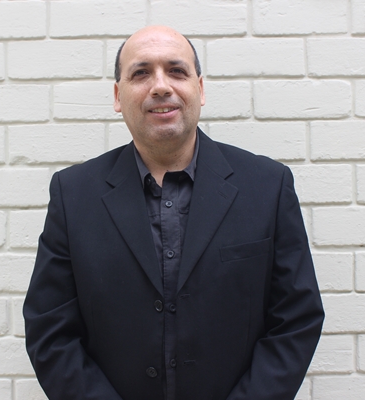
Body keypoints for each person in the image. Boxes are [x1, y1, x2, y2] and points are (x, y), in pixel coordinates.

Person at [23, 25, 324, 400]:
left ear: (200, 88)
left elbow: (296, 318)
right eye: (141, 73)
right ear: (118, 96)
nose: (161, 86)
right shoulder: (73, 194)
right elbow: (49, 330)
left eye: (176, 71)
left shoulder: (268, 186)